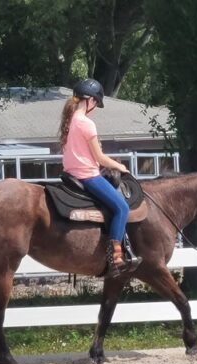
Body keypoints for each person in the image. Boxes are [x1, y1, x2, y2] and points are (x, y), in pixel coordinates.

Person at [58, 78, 141, 278]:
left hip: (72, 173)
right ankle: (115, 258)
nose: (95, 107)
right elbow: (100, 158)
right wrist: (120, 166)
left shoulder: (70, 121)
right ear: (91, 101)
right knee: (121, 208)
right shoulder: (87, 124)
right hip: (87, 176)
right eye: (96, 103)